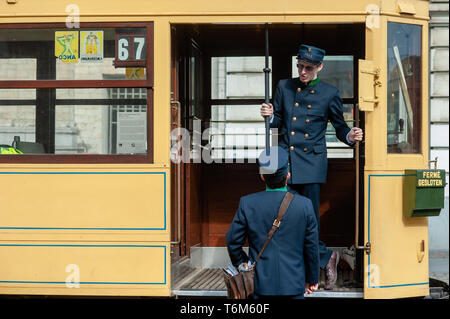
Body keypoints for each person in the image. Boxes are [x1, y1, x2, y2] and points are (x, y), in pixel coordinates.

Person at [260, 44, 363, 289]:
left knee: (307, 219)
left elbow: (340, 127)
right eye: (300, 66)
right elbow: (277, 121)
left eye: (308, 67)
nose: (303, 71)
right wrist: (269, 115)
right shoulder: (284, 86)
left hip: (312, 165)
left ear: (320, 67)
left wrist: (351, 136)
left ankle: (311, 269)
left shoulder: (330, 93)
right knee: (285, 219)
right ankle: (326, 257)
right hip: (286, 162)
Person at [226, 146, 320, 299]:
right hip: (294, 285)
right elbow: (312, 247)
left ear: (262, 176)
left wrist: (244, 265)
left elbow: (232, 241)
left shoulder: (247, 203)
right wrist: (312, 279)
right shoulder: (305, 205)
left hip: (259, 286)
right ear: (288, 175)